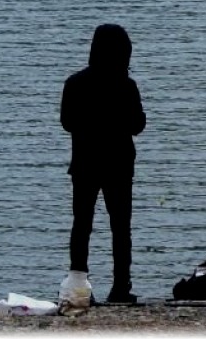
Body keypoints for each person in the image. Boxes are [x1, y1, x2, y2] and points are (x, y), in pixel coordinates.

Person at [60, 24, 146, 305]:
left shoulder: (74, 83)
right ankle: (121, 287)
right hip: (119, 165)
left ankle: (77, 285)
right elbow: (137, 125)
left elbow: (67, 122)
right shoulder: (126, 85)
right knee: (121, 227)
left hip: (84, 164)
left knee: (81, 224)